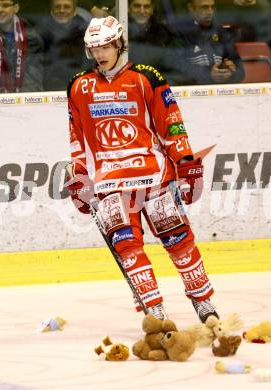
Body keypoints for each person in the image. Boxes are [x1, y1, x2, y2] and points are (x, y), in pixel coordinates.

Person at [66, 15, 219, 322]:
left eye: (106, 46)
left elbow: (172, 126)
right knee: (127, 246)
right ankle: (155, 312)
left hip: (155, 175)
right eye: (94, 48)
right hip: (110, 182)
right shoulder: (79, 86)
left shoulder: (146, 77)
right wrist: (80, 177)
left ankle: (204, 303)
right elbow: (76, 139)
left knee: (178, 240)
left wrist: (186, 164)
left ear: (119, 43)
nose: (100, 54)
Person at [168, 0, 244, 85]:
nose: (210, 12)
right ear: (191, 8)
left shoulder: (221, 31)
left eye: (213, 7)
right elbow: (176, 69)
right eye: (204, 7)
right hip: (191, 94)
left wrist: (231, 72)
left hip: (219, 92)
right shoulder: (178, 32)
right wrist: (208, 74)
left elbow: (240, 71)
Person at [0, 0, 43, 93]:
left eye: (5, 5)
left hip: (21, 99)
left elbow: (32, 75)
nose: (0, 9)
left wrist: (23, 102)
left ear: (16, 8)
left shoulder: (30, 35)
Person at [37, 0, 91, 91]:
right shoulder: (40, 33)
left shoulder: (86, 33)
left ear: (74, 12)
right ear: (51, 11)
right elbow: (38, 68)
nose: (61, 10)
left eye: (66, 7)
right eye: (57, 7)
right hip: (50, 90)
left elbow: (89, 65)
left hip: (81, 87)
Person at [128, 0, 173, 72]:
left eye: (146, 7)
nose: (142, 11)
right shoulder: (119, 29)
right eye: (137, 6)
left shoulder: (163, 32)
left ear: (152, 10)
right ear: (128, 8)